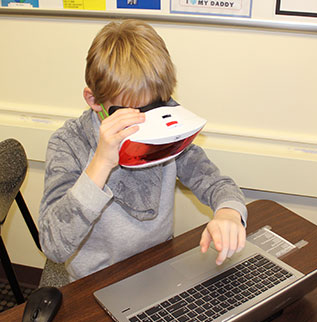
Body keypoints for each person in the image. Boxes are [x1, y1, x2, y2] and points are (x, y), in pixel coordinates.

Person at [38, 19, 247, 282]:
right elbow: (53, 244)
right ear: (94, 101)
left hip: (157, 268)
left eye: (154, 108)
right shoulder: (70, 143)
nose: (144, 123)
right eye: (129, 113)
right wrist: (101, 162)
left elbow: (216, 182)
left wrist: (228, 213)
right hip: (95, 282)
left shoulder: (166, 131)